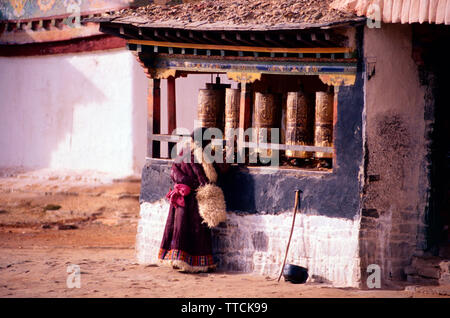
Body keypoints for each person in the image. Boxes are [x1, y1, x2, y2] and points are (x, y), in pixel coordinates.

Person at [158, 128, 229, 273]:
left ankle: (190, 262)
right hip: (189, 198)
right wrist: (192, 183)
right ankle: (181, 261)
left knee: (188, 229)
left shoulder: (202, 154)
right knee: (183, 228)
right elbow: (176, 172)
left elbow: (218, 171)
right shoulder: (191, 154)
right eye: (208, 140)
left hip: (191, 197)